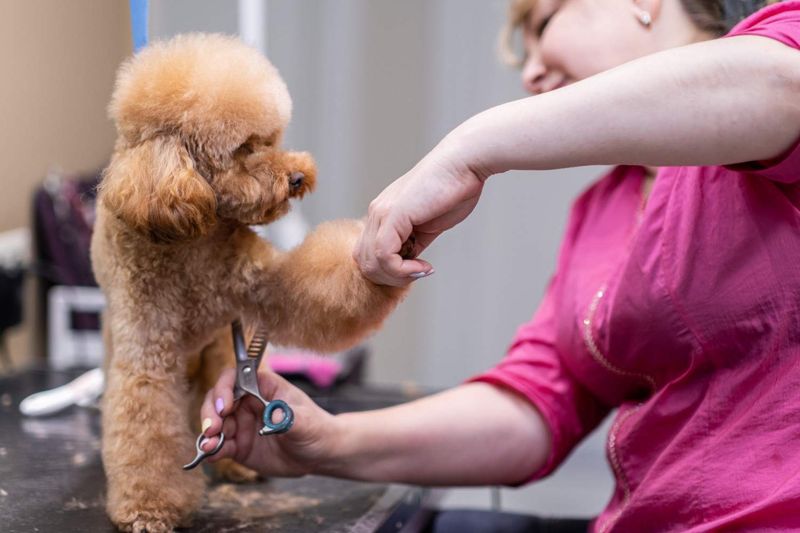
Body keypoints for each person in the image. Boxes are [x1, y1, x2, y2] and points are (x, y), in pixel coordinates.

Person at [199, 1, 800, 530]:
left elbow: (779, 85)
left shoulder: (777, 59)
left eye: (541, 26)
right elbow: (539, 406)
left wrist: (472, 148)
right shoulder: (601, 212)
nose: (532, 72)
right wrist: (326, 443)